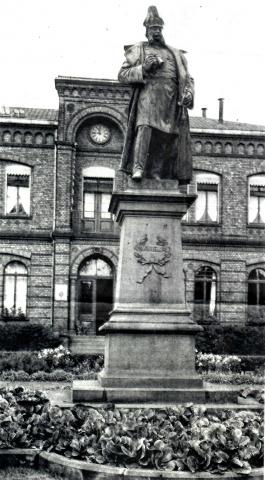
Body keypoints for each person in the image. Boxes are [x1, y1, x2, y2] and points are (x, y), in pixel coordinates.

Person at [118, 6, 194, 183]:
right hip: (148, 98)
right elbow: (122, 75)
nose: (157, 32)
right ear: (146, 31)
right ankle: (138, 167)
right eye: (153, 29)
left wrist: (189, 92)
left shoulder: (175, 53)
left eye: (159, 29)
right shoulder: (139, 49)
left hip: (170, 101)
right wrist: (144, 68)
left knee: (166, 136)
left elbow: (187, 79)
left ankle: (156, 173)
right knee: (144, 128)